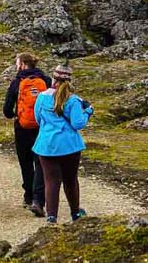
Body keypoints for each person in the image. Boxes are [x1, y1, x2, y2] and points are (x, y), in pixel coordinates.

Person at [33, 65, 93, 224]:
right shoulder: (73, 99)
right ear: (69, 81)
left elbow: (38, 119)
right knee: (70, 180)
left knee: (51, 181)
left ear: (53, 79)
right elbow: (78, 123)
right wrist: (88, 111)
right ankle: (75, 214)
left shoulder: (42, 97)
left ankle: (51, 218)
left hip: (46, 145)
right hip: (69, 145)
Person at [3, 53, 52, 216]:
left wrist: (16, 115)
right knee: (40, 162)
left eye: (17, 63)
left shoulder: (16, 82)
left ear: (23, 64)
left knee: (25, 163)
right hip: (42, 127)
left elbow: (6, 110)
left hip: (22, 127)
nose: (16, 66)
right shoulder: (46, 81)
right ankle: (39, 200)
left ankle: (28, 196)